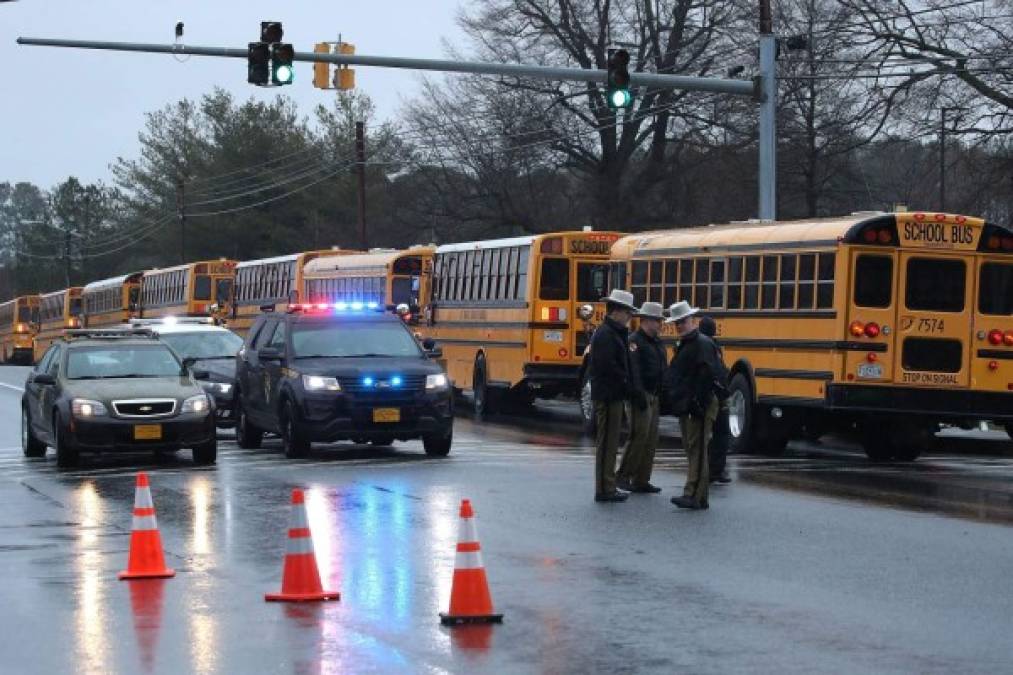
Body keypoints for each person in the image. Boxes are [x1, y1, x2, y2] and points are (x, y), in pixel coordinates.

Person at [664, 301, 723, 510]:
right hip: (691, 403)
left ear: (693, 321)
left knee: (697, 449)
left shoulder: (701, 344)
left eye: (683, 321)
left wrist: (698, 402)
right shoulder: (689, 343)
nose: (679, 326)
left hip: (699, 404)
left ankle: (694, 494)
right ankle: (697, 494)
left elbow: (709, 375)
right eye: (676, 323)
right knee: (694, 449)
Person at [589, 289, 638, 503]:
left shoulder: (613, 333)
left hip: (614, 394)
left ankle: (608, 485)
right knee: (607, 443)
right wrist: (626, 383)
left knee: (611, 442)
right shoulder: (606, 334)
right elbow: (609, 367)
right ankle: (604, 487)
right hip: (608, 395)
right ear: (616, 311)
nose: (629, 317)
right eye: (627, 312)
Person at [616, 301, 667, 494]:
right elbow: (634, 370)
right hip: (641, 394)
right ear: (646, 320)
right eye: (657, 320)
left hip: (654, 393)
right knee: (639, 436)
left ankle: (642, 479)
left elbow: (662, 368)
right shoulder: (635, 341)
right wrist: (637, 394)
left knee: (651, 439)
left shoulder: (657, 342)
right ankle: (623, 475)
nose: (660, 324)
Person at [698, 316, 732, 484]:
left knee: (719, 433)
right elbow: (715, 371)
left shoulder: (712, 346)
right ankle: (711, 470)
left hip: (717, 395)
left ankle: (714, 469)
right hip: (711, 395)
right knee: (713, 434)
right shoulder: (706, 346)